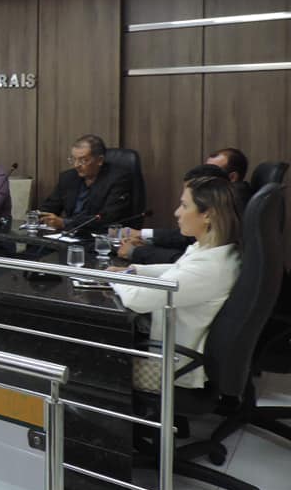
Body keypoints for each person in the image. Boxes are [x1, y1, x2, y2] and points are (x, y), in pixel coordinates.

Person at [110, 175, 241, 392]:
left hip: (172, 368)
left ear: (207, 214)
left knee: (96, 363)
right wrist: (135, 270)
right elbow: (178, 270)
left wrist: (115, 279)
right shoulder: (215, 250)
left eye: (184, 206)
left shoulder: (209, 267)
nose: (177, 212)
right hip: (175, 351)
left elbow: (137, 300)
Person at [120, 153, 250, 264]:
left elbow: (183, 259)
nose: (177, 212)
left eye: (185, 205)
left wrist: (138, 251)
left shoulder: (234, 209)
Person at [40, 134, 132, 234]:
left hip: (98, 235)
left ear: (100, 160)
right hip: (69, 234)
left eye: (83, 160)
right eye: (73, 159)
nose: (76, 165)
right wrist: (40, 216)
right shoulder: (68, 177)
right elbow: (49, 207)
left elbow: (107, 217)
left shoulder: (118, 179)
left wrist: (65, 223)